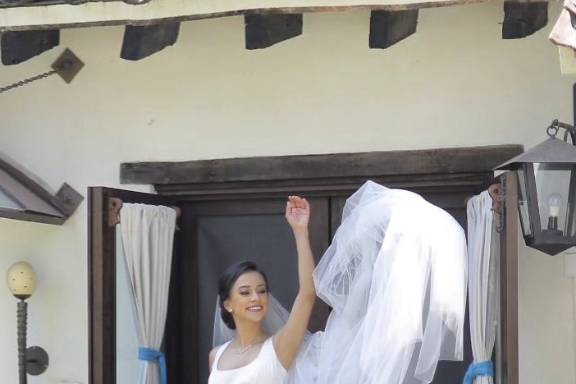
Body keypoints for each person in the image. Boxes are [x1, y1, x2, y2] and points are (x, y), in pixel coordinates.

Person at [208, 196, 315, 384]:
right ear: (228, 304)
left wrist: (300, 232)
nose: (256, 297)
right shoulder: (216, 355)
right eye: (245, 292)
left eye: (262, 290)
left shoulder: (279, 347)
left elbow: (307, 294)